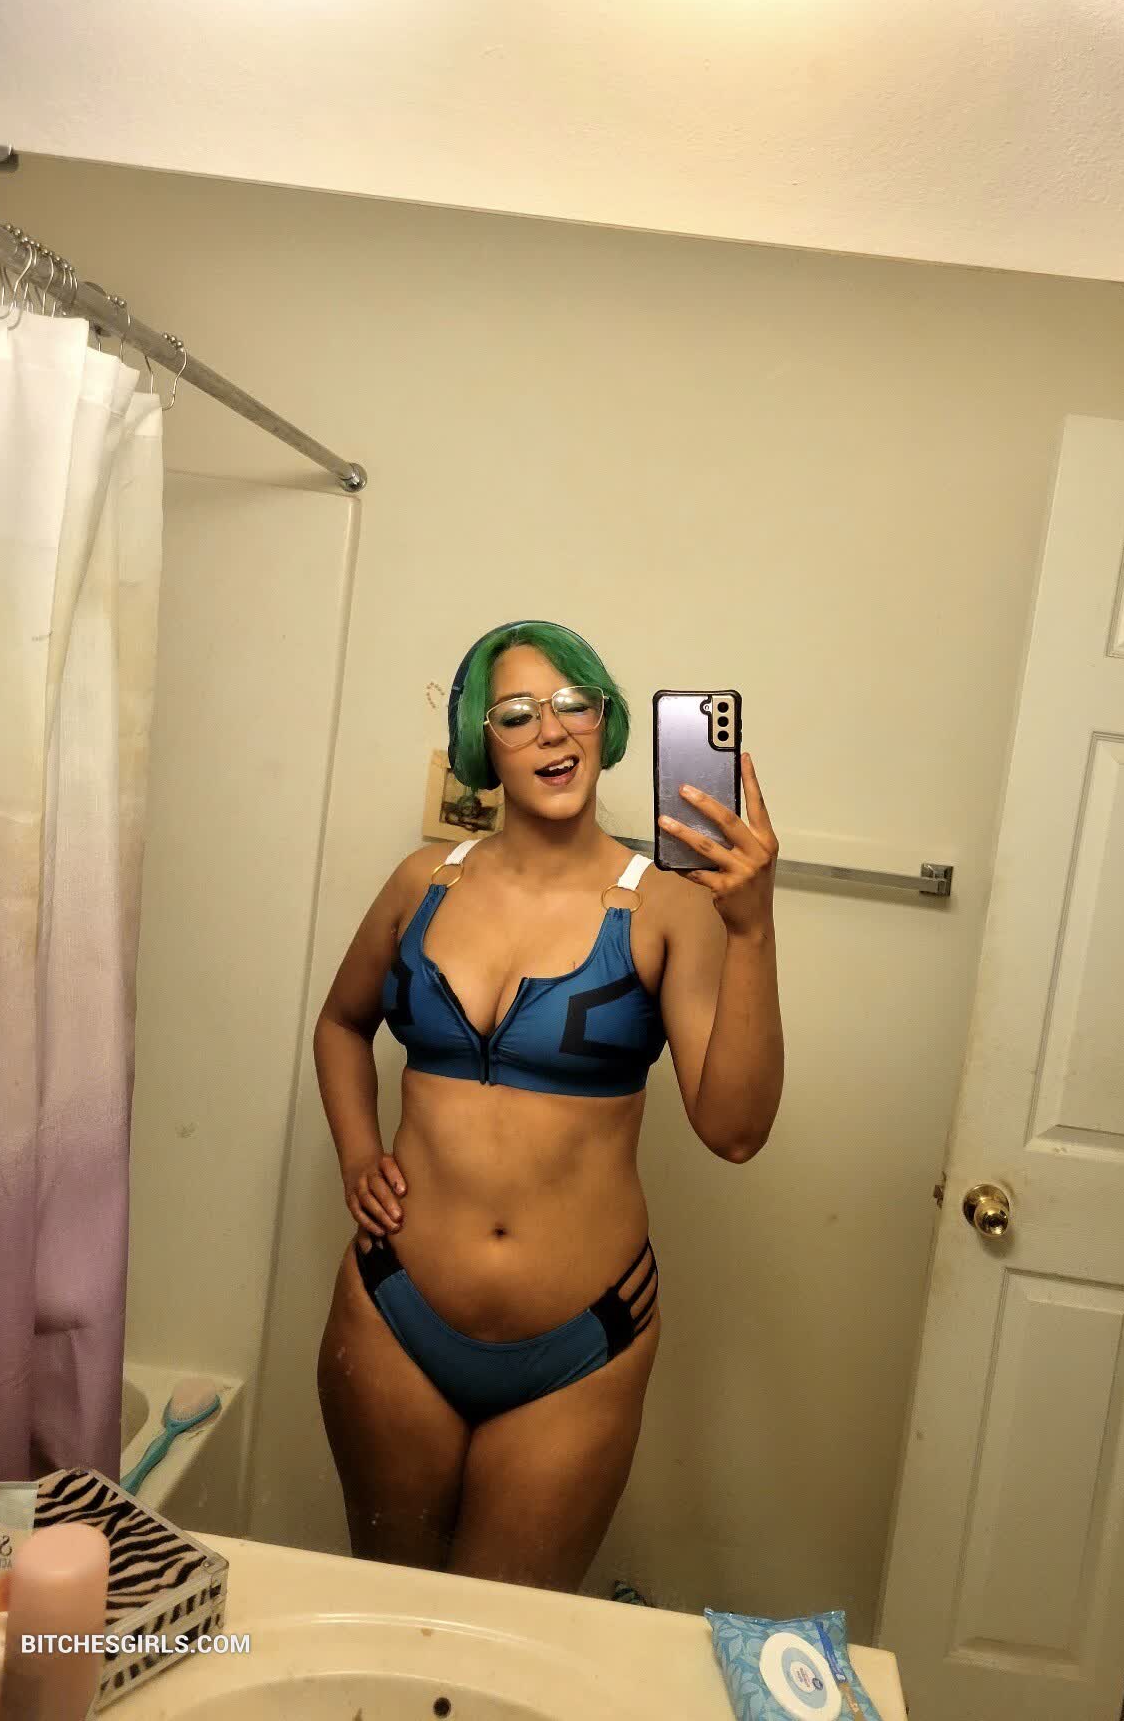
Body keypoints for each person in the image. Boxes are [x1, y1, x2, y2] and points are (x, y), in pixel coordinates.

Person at [315, 620, 783, 1592]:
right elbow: (341, 1024)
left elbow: (736, 1131)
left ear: (606, 722)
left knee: (502, 1642)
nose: (553, 731)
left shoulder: (667, 904)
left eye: (575, 703)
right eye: (518, 713)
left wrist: (751, 929)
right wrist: (359, 1154)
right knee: (388, 1609)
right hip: (393, 1311)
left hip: (581, 1345)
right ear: (482, 743)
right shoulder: (421, 883)